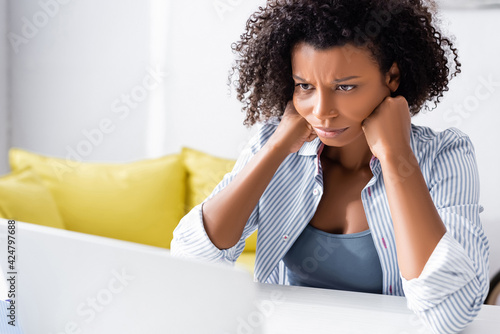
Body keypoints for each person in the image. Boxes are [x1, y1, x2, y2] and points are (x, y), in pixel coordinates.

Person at [171, 0, 490, 333]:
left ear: (392, 76)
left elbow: (450, 314)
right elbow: (192, 263)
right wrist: (277, 148)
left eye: (345, 87)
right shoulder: (274, 143)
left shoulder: (444, 155)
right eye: (305, 86)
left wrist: (396, 156)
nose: (322, 111)